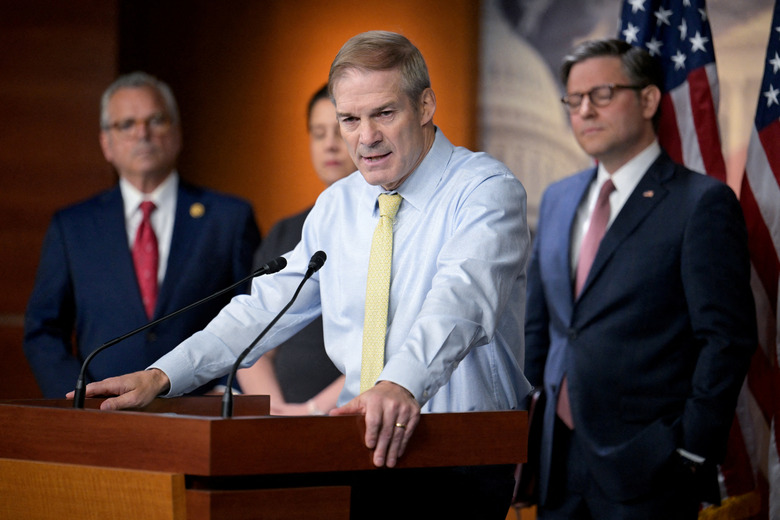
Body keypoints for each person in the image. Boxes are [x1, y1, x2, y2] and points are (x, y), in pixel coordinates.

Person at [77, 31, 531, 519]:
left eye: (383, 113)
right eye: (349, 120)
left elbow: (460, 302)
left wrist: (399, 384)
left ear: (425, 105)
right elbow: (262, 306)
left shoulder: (485, 190)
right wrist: (163, 375)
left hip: (457, 455)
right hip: (356, 450)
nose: (365, 137)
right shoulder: (338, 205)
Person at [524, 38, 757, 519]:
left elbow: (727, 339)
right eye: (574, 99)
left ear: (649, 100)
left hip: (650, 467)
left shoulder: (700, 203)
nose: (585, 110)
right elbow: (540, 330)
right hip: (555, 463)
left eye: (602, 94)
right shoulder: (557, 199)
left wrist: (691, 450)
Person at [24, 71, 261, 398]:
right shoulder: (72, 226)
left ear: (177, 132)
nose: (143, 133)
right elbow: (43, 331)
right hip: (102, 415)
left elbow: (256, 312)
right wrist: (79, 397)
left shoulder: (229, 218)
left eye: (156, 120)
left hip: (202, 413)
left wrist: (229, 388)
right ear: (106, 143)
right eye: (127, 124)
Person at [237, 85, 353, 415]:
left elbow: (390, 350)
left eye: (340, 130)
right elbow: (254, 339)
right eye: (318, 133)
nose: (330, 144)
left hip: (350, 417)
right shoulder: (287, 231)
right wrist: (277, 411)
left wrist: (316, 410)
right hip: (285, 421)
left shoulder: (389, 227)